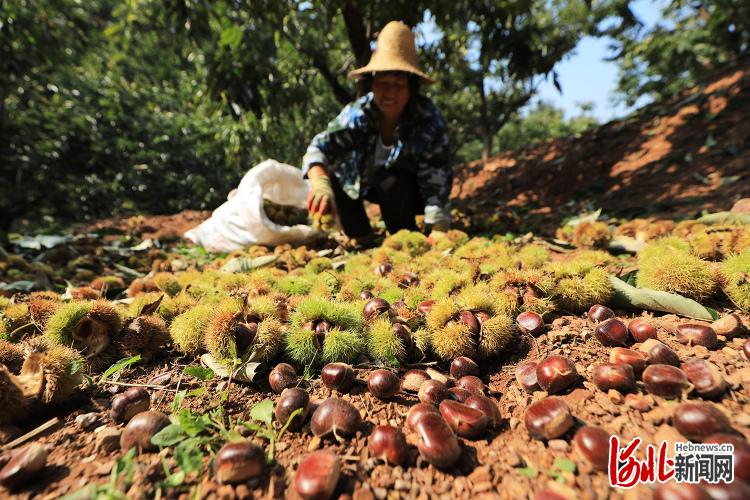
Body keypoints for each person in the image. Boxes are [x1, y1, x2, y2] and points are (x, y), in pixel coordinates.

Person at [303, 20, 452, 247]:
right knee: (334, 173)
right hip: (366, 185)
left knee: (391, 181)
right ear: (372, 84)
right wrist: (320, 183)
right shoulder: (359, 114)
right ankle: (360, 235)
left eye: (398, 84)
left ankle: (404, 234)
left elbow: (437, 177)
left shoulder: (427, 119)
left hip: (410, 192)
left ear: (411, 87)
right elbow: (318, 147)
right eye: (382, 83)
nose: (389, 92)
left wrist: (438, 227)